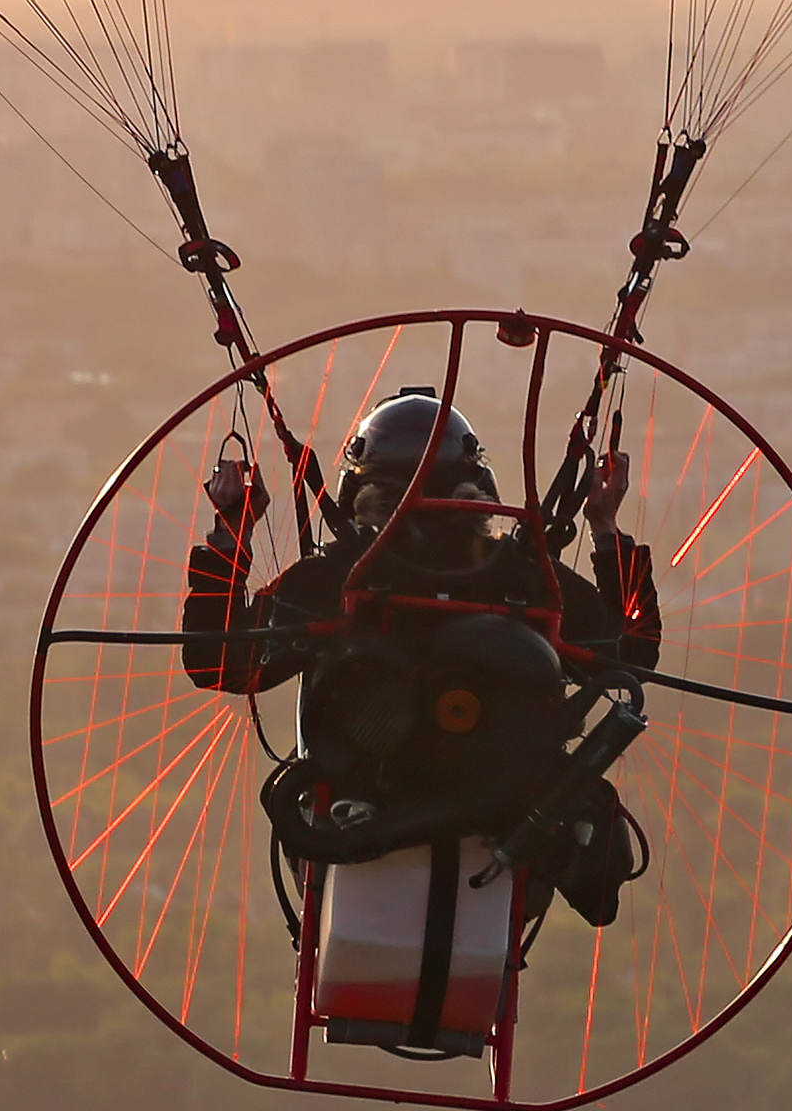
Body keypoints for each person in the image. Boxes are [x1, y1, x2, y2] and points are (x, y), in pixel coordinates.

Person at [180, 387, 656, 931]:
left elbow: (218, 661)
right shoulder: (523, 576)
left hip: (357, 826)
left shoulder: (338, 578)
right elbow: (632, 655)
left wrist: (230, 532)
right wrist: (603, 528)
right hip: (511, 825)